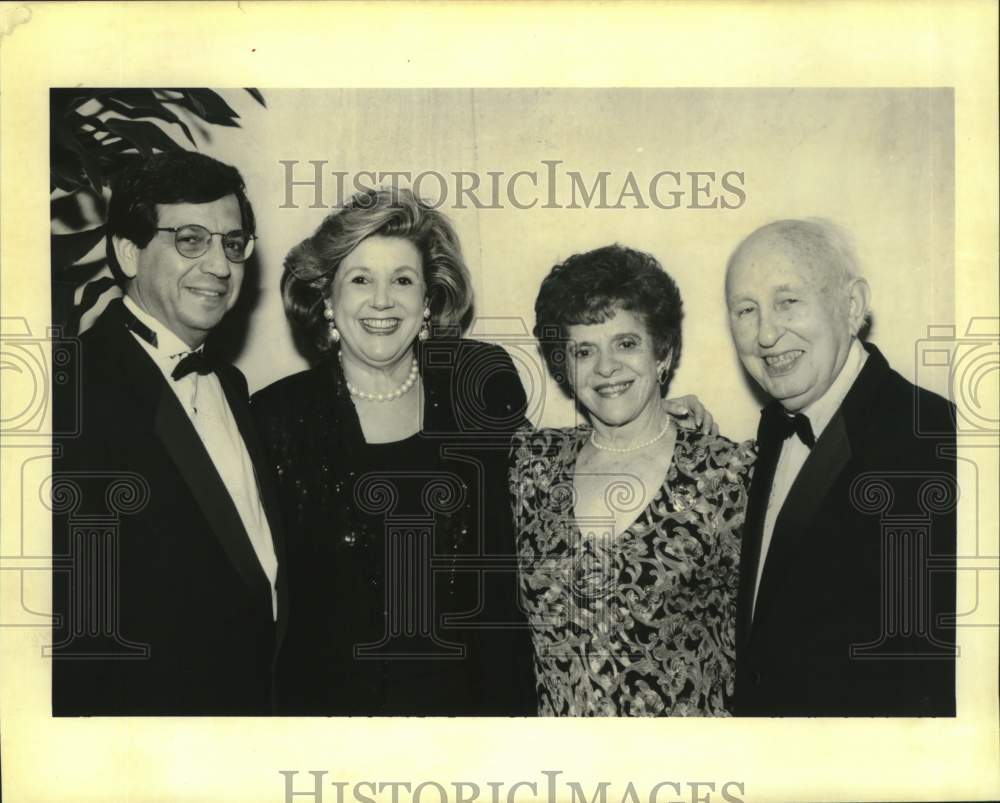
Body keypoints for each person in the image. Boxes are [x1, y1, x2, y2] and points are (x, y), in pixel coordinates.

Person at [251, 187, 536, 715]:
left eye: (403, 280)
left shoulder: (478, 382)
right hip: (333, 726)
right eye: (360, 280)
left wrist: (649, 419)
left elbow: (545, 480)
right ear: (326, 300)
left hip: (476, 714)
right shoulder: (275, 419)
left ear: (428, 300)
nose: (382, 301)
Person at [51, 151, 287, 715]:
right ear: (129, 252)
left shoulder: (230, 384)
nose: (220, 266)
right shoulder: (72, 393)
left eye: (233, 243)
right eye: (189, 240)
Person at [510, 244, 755, 716]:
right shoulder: (530, 466)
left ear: (662, 352)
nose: (606, 368)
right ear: (564, 367)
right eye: (584, 350)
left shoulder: (728, 475)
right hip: (562, 778)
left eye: (626, 343)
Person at [725, 218, 956, 716]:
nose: (766, 333)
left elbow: (931, 678)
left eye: (788, 301)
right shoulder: (773, 430)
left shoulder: (933, 438)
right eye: (747, 310)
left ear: (851, 307)